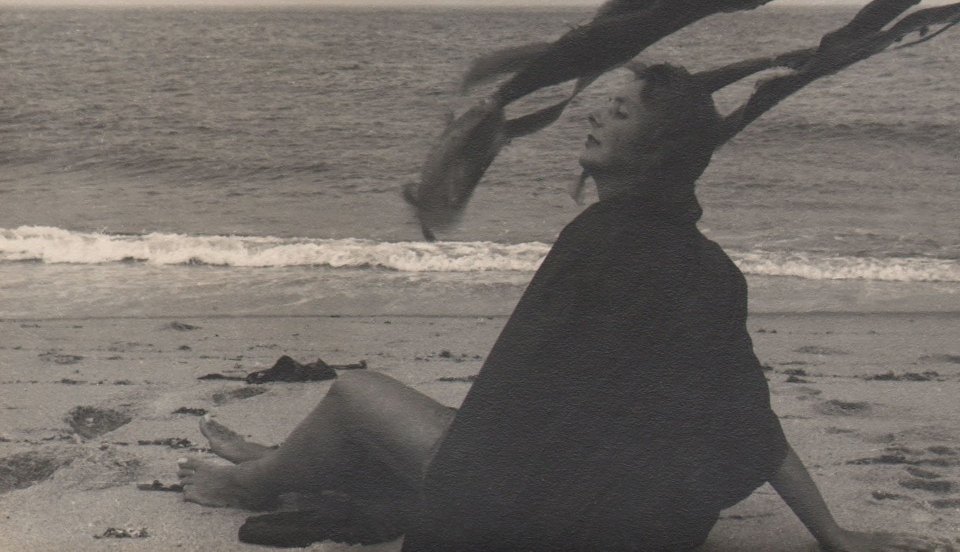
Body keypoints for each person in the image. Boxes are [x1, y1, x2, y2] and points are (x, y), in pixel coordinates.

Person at [178, 64, 934, 551]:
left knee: (355, 393)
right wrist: (831, 534)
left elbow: (507, 409)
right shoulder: (707, 263)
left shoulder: (602, 236)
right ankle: (290, 458)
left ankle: (252, 478)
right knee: (411, 431)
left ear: (660, 148)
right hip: (652, 525)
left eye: (623, 111)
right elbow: (747, 413)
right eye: (602, 104)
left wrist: (434, 505)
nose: (597, 116)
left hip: (551, 516)